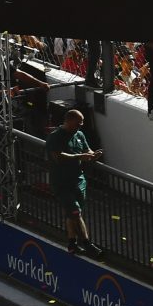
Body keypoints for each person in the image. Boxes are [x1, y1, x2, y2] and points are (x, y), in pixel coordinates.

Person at [49, 107, 102, 257]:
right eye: (78, 123)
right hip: (62, 182)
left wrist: (93, 155)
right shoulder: (55, 137)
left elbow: (88, 151)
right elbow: (58, 156)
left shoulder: (80, 135)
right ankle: (87, 243)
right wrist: (80, 157)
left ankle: (72, 243)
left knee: (72, 213)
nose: (80, 126)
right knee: (75, 212)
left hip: (78, 181)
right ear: (69, 121)